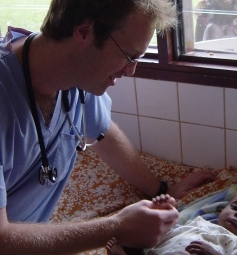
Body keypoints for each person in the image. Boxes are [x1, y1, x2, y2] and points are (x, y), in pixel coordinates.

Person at [0, 0, 217, 254]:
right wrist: (116, 227)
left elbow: (104, 134)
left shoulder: (79, 78)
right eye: (128, 56)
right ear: (83, 32)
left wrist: (161, 190)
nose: (131, 70)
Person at [106, 190, 237, 255]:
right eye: (236, 207)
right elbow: (166, 235)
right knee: (137, 241)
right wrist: (162, 214)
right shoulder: (197, 223)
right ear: (222, 210)